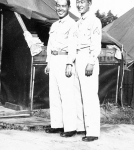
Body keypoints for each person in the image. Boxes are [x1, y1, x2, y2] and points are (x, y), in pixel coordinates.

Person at [44, 0, 85, 137]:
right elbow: (50, 45)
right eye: (58, 6)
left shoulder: (72, 24)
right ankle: (57, 125)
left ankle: (70, 127)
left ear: (69, 7)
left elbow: (73, 45)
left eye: (63, 6)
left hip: (64, 60)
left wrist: (69, 63)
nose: (60, 9)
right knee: (54, 94)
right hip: (54, 60)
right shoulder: (54, 25)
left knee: (67, 95)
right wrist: (48, 62)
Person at [66, 0, 102, 142]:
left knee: (89, 96)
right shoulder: (77, 23)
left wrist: (91, 61)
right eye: (78, 2)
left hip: (88, 57)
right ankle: (82, 127)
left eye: (83, 2)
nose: (80, 5)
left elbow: (96, 42)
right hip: (77, 58)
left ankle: (92, 131)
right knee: (78, 95)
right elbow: (73, 44)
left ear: (89, 3)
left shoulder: (94, 21)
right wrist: (70, 62)